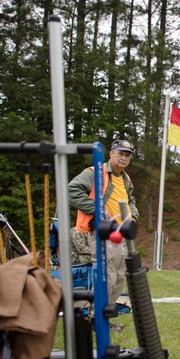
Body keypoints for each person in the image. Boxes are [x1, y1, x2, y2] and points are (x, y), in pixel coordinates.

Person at [68, 139, 139, 330]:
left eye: (127, 155)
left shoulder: (126, 178)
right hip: (103, 233)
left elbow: (130, 201)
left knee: (120, 277)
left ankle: (103, 318)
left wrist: (133, 217)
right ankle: (95, 319)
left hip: (121, 234)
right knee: (107, 276)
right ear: (111, 154)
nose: (124, 158)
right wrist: (98, 208)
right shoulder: (94, 172)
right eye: (120, 153)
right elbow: (72, 191)